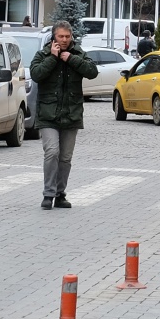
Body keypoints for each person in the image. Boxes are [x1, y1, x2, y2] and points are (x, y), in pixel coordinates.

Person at [28, 20, 98, 210]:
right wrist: (53, 57)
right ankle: (48, 194)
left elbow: (92, 72)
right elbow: (36, 74)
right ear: (54, 37)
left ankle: (60, 194)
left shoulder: (78, 54)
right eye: (61, 36)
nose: (65, 40)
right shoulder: (42, 54)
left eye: (67, 36)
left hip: (71, 114)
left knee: (65, 158)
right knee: (52, 152)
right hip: (48, 114)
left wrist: (70, 59)